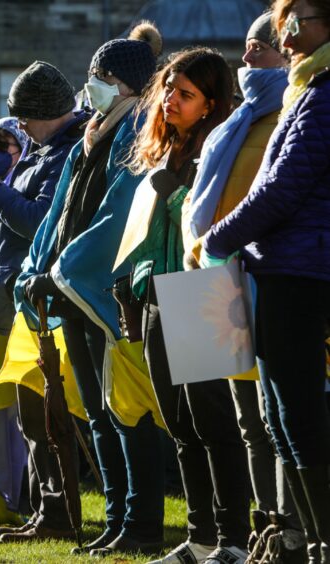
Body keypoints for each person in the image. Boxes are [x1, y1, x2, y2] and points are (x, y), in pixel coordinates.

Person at [17, 23, 168, 557]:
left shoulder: (138, 132)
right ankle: (115, 518)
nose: (91, 86)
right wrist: (41, 265)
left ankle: (142, 521)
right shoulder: (94, 132)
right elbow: (60, 214)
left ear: (127, 83)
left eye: (100, 77)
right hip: (72, 290)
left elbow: (117, 214)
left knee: (129, 413)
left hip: (110, 292)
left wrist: (65, 269)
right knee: (100, 414)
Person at [202, 0, 330, 560]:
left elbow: (280, 189)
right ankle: (311, 541)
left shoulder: (323, 97)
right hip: (281, 266)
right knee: (279, 414)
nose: (288, 30)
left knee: (297, 411)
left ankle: (322, 542)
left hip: (303, 269)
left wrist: (217, 238)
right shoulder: (307, 91)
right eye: (285, 18)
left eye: (299, 18)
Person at [182, 13, 302, 562]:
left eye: (259, 49)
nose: (247, 59)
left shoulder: (292, 112)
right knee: (241, 418)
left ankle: (289, 527)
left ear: (286, 52)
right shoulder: (235, 121)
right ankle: (252, 531)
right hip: (207, 277)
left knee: (276, 415)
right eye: (247, 48)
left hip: (257, 272)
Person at [121, 48, 249, 564]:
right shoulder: (162, 149)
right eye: (169, 88)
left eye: (185, 94)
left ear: (210, 103)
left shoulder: (219, 147)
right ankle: (199, 539)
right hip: (156, 292)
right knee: (179, 422)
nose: (171, 100)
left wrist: (180, 191)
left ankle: (234, 540)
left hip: (203, 292)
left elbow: (218, 219)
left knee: (214, 421)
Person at [0, 61, 91, 544]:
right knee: (33, 418)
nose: (20, 127)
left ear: (43, 112)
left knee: (51, 416)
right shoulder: (44, 150)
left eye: (24, 117)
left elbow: (41, 222)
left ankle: (62, 515)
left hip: (45, 306)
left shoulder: (63, 154)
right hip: (24, 301)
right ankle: (48, 510)